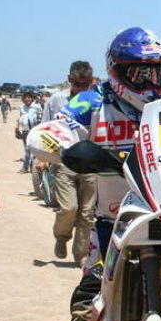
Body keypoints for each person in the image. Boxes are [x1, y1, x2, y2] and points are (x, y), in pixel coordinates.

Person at [44, 27, 161, 321]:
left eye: (157, 71)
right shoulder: (92, 102)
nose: (150, 81)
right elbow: (55, 128)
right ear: (117, 69)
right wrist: (63, 144)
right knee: (86, 306)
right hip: (111, 226)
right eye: (140, 72)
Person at [43, 61, 96, 266]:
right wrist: (43, 158)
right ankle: (61, 236)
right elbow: (45, 129)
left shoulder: (97, 101)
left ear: (91, 81)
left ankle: (81, 254)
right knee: (69, 208)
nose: (81, 89)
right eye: (77, 84)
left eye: (85, 84)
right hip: (64, 161)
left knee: (87, 213)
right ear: (69, 80)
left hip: (90, 163)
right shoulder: (56, 100)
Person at [16, 92, 42, 173]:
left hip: (34, 131)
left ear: (32, 99)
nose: (27, 99)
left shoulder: (37, 107)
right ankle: (30, 166)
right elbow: (20, 118)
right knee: (27, 149)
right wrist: (17, 127)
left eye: (29, 97)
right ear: (23, 99)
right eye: (25, 98)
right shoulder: (22, 107)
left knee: (32, 149)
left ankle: (26, 167)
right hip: (25, 132)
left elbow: (41, 117)